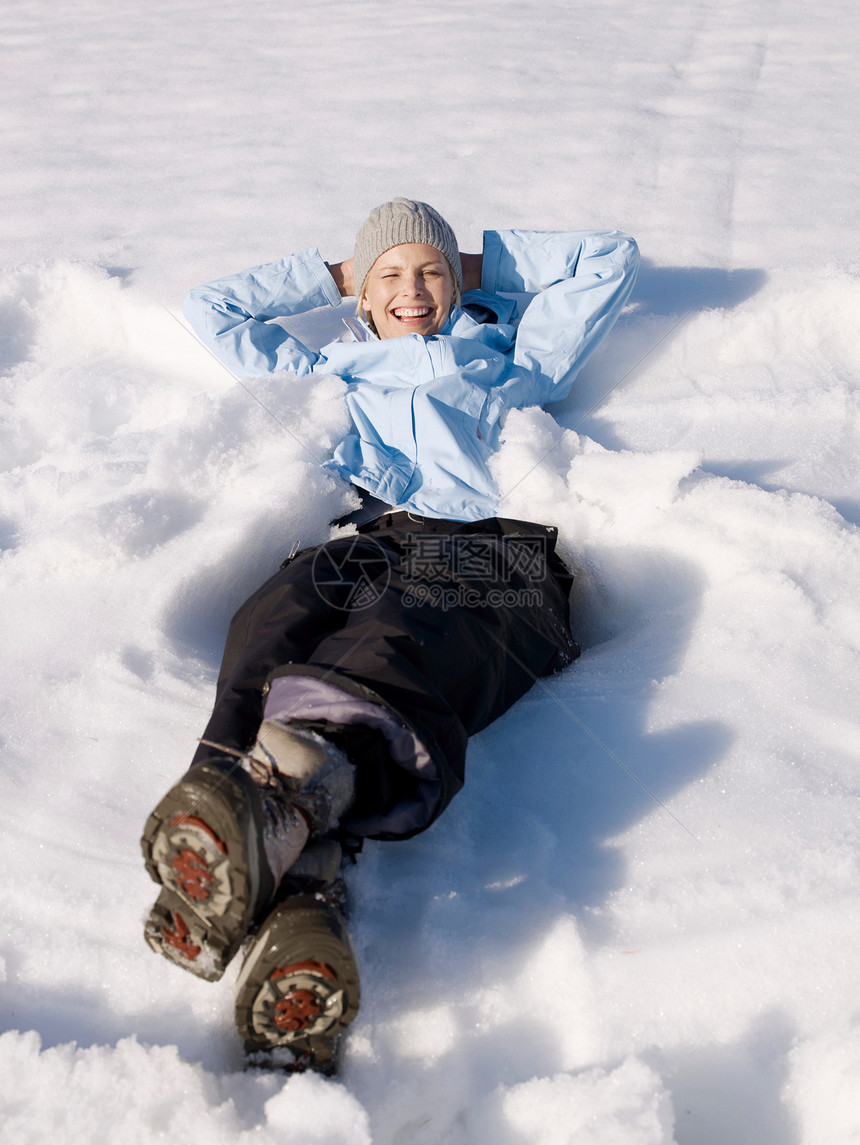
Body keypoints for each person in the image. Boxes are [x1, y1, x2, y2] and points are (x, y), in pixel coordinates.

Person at [141, 199, 639, 1071]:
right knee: (275, 613)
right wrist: (334, 272)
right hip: (369, 543)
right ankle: (270, 858)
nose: (413, 290)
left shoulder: (507, 361)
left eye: (430, 273)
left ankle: (277, 808)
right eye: (391, 277)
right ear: (360, 300)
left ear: (456, 284)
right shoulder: (331, 371)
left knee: (395, 630)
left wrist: (470, 264)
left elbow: (607, 258)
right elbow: (210, 308)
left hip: (493, 556)